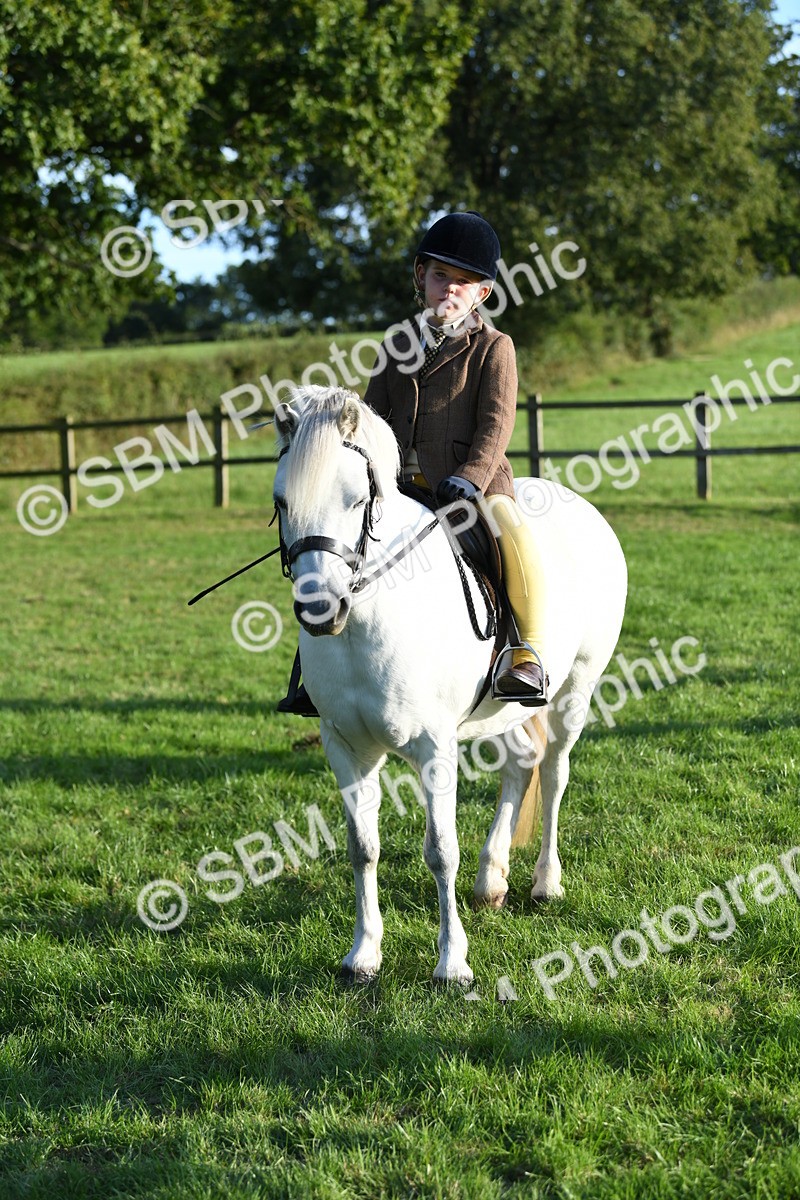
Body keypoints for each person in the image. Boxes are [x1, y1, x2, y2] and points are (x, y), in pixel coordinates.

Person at [278, 210, 547, 715]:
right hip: (398, 488)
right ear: (421, 277)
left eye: (464, 282)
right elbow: (369, 417)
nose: (451, 289)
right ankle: (314, 672)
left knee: (513, 537)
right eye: (441, 275)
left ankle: (524, 651)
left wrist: (470, 479)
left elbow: (497, 425)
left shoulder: (494, 347)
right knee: (337, 550)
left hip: (474, 486)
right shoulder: (395, 345)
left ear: (482, 294)